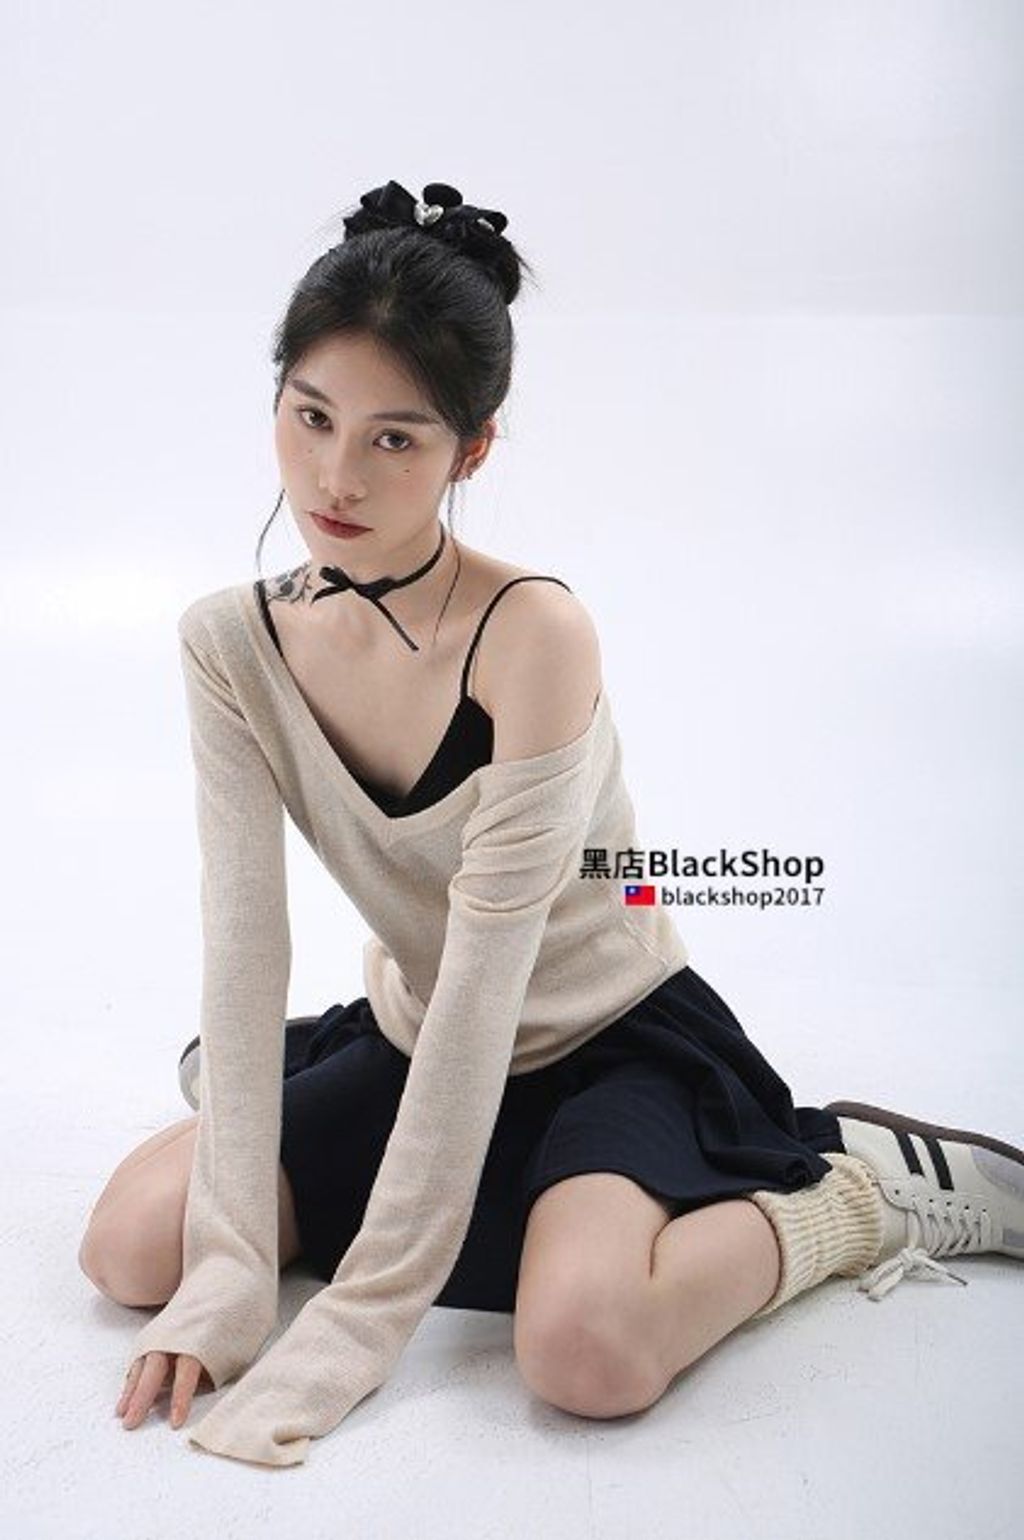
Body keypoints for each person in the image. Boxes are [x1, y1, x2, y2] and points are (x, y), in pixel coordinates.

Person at [80, 179, 1024, 1469]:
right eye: (311, 416)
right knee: (136, 1250)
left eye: (395, 439)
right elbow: (246, 943)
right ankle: (337, 1110)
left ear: (470, 452)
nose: (335, 476)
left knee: (587, 1352)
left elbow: (493, 974)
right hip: (425, 1029)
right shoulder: (228, 644)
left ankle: (858, 1195)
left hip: (603, 1033)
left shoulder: (534, 633)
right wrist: (230, 1270)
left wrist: (359, 1319)